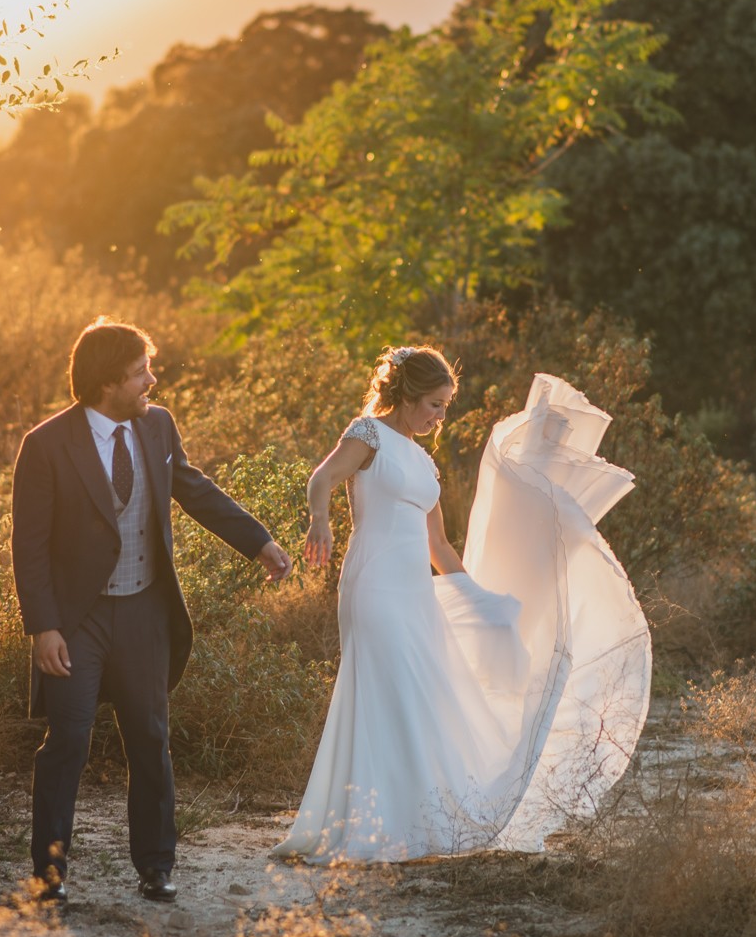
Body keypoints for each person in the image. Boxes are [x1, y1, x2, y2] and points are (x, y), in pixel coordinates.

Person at [273, 347, 651, 864]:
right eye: (433, 404)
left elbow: (440, 546)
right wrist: (321, 519)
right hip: (372, 583)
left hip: (413, 590)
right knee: (390, 689)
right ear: (405, 396)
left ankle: (406, 819)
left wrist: (482, 600)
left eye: (446, 406)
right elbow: (321, 480)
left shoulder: (425, 462)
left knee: (419, 694)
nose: (439, 416)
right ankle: (370, 826)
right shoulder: (367, 434)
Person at [11, 319, 293, 905]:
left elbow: (193, 488)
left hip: (144, 610)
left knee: (150, 737)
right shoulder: (45, 445)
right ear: (108, 382)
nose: (152, 380)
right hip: (76, 620)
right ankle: (51, 873)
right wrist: (43, 627)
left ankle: (157, 866)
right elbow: (29, 545)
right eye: (141, 372)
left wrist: (259, 541)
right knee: (68, 741)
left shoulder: (157, 425)